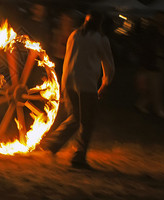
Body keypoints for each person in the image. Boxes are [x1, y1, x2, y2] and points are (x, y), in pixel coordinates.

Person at [44, 10, 115, 169]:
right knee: (87, 121)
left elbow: (68, 58)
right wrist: (105, 84)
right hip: (86, 84)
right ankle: (78, 157)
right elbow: (109, 66)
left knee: (76, 117)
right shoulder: (100, 39)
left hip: (68, 82)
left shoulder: (74, 35)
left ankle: (53, 143)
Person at [134, 11, 164, 118]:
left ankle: (141, 104)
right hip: (152, 61)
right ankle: (159, 110)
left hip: (157, 61)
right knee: (156, 87)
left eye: (162, 18)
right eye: (159, 18)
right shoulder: (150, 31)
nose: (161, 20)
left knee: (153, 87)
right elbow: (146, 47)